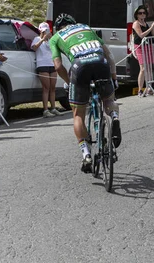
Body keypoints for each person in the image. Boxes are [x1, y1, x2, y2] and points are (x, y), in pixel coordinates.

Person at [49, 13, 121, 173]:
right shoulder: (87, 28)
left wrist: (69, 82)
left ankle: (86, 154)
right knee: (108, 101)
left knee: (78, 114)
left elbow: (58, 66)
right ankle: (114, 117)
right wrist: (114, 77)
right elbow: (109, 55)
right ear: (74, 23)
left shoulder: (55, 37)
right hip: (100, 63)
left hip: (80, 67)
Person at [31, 22, 61, 117]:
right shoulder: (37, 38)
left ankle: (53, 108)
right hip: (42, 64)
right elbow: (34, 48)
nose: (46, 32)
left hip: (51, 64)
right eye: (44, 30)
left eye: (47, 30)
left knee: (53, 88)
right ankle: (45, 110)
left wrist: (51, 39)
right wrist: (42, 39)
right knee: (46, 88)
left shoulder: (51, 41)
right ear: (40, 30)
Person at [132, 5, 154, 97]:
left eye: (144, 13)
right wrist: (151, 27)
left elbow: (152, 34)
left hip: (148, 46)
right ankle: (140, 90)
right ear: (137, 15)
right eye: (140, 13)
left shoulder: (145, 23)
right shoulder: (136, 23)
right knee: (142, 69)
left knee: (150, 68)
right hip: (140, 47)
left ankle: (149, 88)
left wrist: (152, 27)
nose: (142, 15)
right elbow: (141, 35)